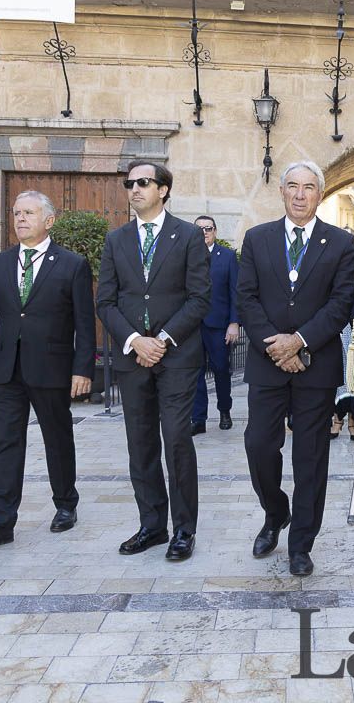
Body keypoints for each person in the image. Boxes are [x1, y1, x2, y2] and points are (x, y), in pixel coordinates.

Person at [0, 190, 96, 552]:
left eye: (28, 213)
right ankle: (0, 521)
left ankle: (65, 504)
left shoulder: (72, 264)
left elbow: (84, 322)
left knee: (57, 440)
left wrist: (83, 369)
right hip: (7, 370)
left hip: (52, 368)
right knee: (7, 445)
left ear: (49, 221)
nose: (20, 219)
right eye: (16, 212)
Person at [237, 161, 354, 577]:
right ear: (282, 192)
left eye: (309, 187)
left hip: (316, 367)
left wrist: (300, 341)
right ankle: (275, 513)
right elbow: (247, 298)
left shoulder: (340, 243)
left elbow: (341, 304)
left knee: (311, 458)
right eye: (293, 187)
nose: (300, 194)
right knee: (258, 446)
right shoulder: (257, 239)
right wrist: (276, 345)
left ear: (320, 195)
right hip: (267, 364)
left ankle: (301, 542)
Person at [97, 159, 211, 561]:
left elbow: (199, 298)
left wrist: (161, 339)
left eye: (143, 182)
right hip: (132, 358)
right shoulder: (117, 240)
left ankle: (184, 529)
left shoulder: (188, 237)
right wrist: (134, 340)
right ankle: (152, 526)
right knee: (140, 442)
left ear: (163, 189)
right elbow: (105, 301)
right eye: (129, 184)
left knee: (177, 439)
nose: (134, 190)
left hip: (176, 356)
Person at [189, 215, 239, 435]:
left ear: (215, 232)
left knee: (221, 370)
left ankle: (224, 411)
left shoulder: (227, 256)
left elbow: (235, 292)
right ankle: (198, 418)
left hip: (219, 324)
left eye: (208, 228)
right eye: (199, 229)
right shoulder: (187, 256)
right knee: (195, 372)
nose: (204, 232)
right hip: (192, 325)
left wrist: (234, 323)